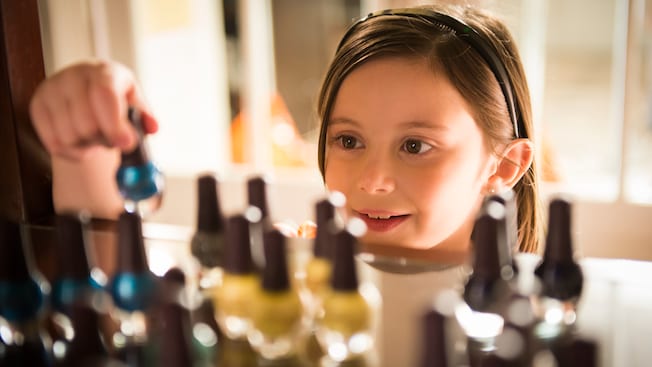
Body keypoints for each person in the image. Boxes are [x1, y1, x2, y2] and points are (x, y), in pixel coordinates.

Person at [29, 4, 542, 261]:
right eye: (349, 140)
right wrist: (86, 150)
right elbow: (113, 297)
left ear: (502, 167)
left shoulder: (538, 311)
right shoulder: (291, 264)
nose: (374, 179)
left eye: (415, 146)